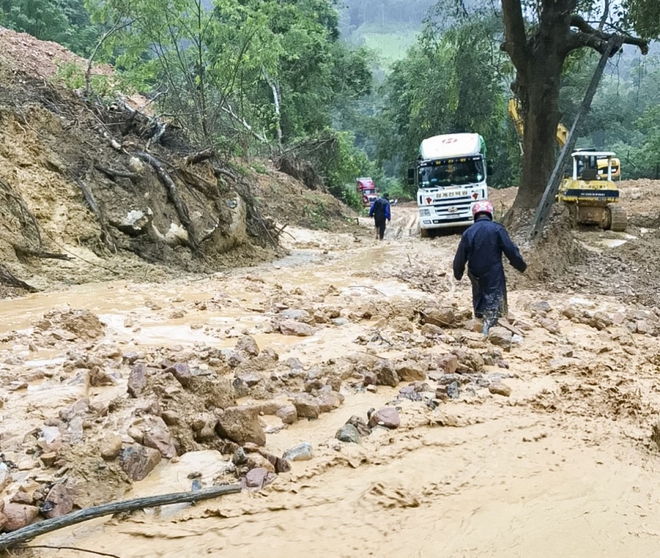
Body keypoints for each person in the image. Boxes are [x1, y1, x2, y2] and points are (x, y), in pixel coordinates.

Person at [453, 200, 527, 336]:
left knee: (479, 295)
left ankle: (479, 321)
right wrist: (520, 265)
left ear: (475, 215)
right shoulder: (497, 229)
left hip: (475, 271)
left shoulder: (468, 232)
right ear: (490, 214)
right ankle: (491, 331)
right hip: (493, 271)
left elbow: (460, 256)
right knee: (494, 299)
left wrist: (458, 273)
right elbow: (510, 249)